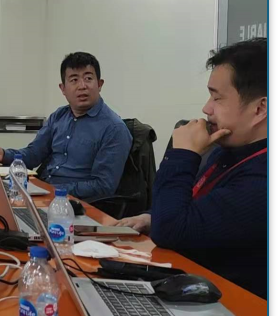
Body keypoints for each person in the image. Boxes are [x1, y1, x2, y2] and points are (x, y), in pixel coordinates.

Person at [114, 38, 266, 298]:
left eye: (217, 98)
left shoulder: (261, 178)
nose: (207, 108)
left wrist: (182, 155)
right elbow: (197, 208)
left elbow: (171, 231)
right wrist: (152, 217)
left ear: (259, 108)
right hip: (190, 286)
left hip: (232, 309)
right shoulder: (228, 149)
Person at [0, 52, 132, 199]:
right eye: (74, 80)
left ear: (99, 84)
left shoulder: (114, 128)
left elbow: (103, 186)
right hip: (44, 194)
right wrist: (4, 155)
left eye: (88, 78)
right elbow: (34, 155)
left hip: (75, 204)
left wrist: (52, 190)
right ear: (63, 88)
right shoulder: (59, 116)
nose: (82, 86)